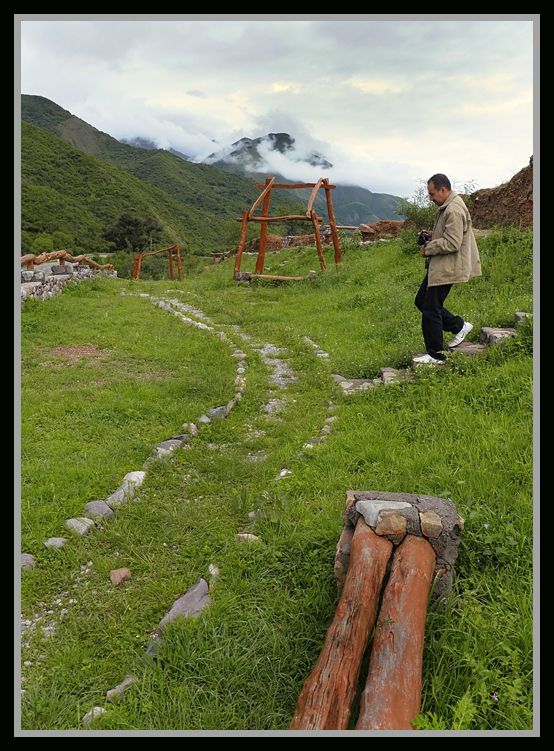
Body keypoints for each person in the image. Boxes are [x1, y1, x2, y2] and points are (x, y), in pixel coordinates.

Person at [413, 173, 482, 364]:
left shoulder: (453, 209)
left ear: (443, 189)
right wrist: (431, 236)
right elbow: (448, 234)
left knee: (431, 308)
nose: (430, 198)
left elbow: (452, 242)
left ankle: (435, 355)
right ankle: (458, 326)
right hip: (441, 266)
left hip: (448, 266)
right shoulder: (448, 206)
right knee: (422, 301)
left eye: (432, 194)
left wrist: (428, 248)